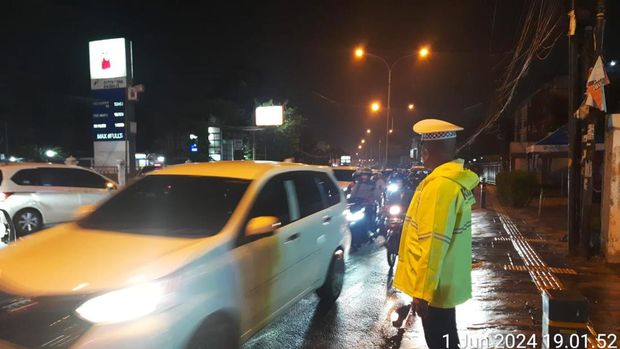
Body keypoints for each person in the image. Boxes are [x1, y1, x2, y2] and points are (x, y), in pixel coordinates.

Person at [393, 119, 479, 349]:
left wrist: (422, 291)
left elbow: (434, 242)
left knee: (440, 343)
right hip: (444, 282)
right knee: (447, 340)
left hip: (435, 288)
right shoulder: (451, 183)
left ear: (427, 152)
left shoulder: (439, 186)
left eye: (423, 150)